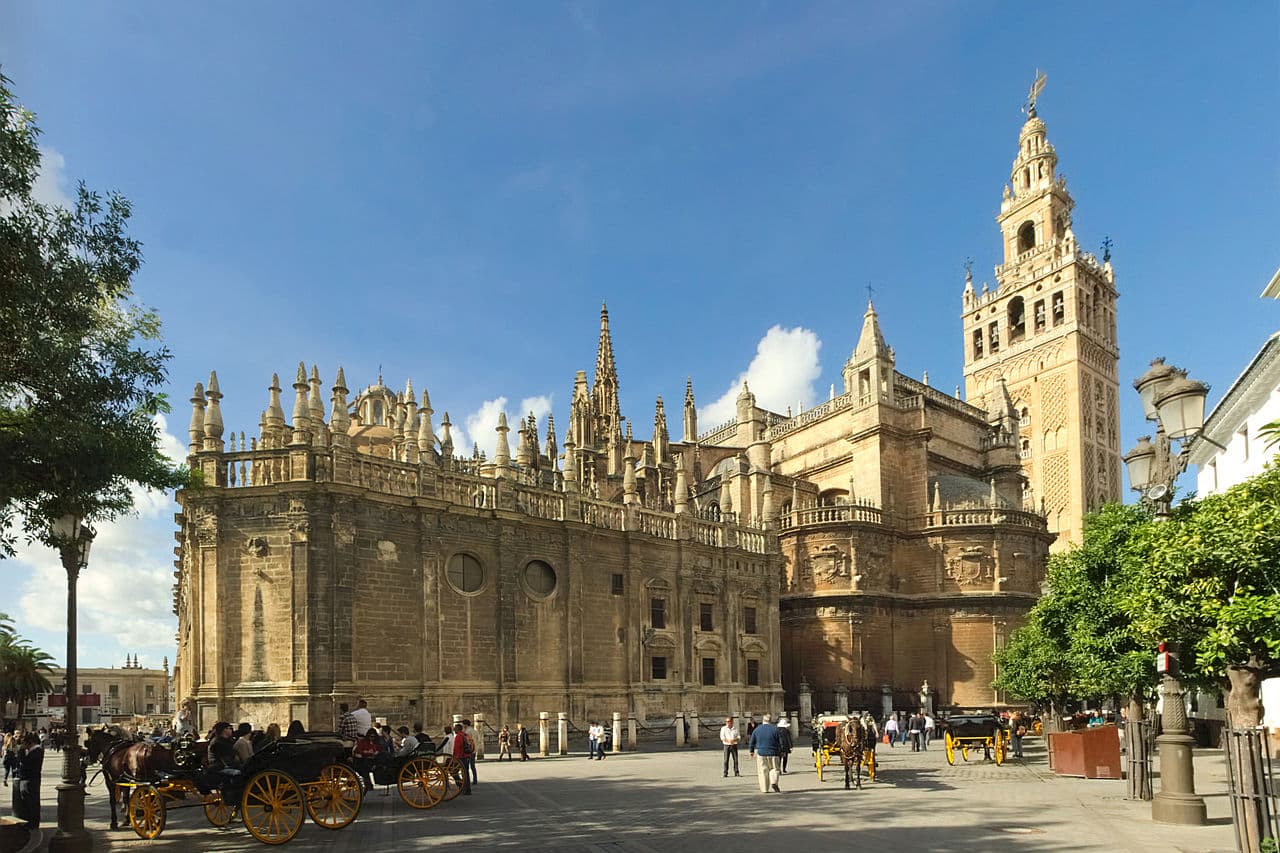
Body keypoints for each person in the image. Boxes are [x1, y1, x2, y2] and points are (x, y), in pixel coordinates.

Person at [11, 733, 42, 828]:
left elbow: (24, 763)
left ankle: (31, 823)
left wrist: (21, 751)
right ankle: (31, 822)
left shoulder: (36, 752)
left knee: (30, 803)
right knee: (29, 802)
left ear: (29, 743)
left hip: (30, 780)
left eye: (24, 743)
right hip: (30, 779)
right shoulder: (35, 751)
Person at [747, 713, 782, 793]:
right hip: (774, 752)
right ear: (770, 720)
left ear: (763, 720)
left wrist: (751, 751)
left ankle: (764, 789)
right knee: (774, 769)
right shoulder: (775, 729)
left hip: (761, 753)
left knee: (763, 771)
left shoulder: (757, 729)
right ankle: (774, 782)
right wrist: (781, 751)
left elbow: (752, 741)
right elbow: (781, 742)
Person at [353, 728, 382, 792]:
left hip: (373, 759)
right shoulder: (363, 742)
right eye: (371, 737)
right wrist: (366, 752)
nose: (372, 738)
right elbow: (359, 750)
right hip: (364, 759)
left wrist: (376, 752)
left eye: (374, 737)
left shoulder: (376, 743)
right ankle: (368, 784)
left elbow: (379, 749)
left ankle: (369, 783)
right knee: (364, 768)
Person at [449, 723, 473, 795]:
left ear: (458, 729)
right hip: (467, 756)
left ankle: (462, 786)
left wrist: (454, 758)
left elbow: (457, 749)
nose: (454, 729)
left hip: (460, 757)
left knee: (454, 772)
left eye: (455, 728)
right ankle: (467, 789)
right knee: (465, 773)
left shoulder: (458, 737)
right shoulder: (465, 735)